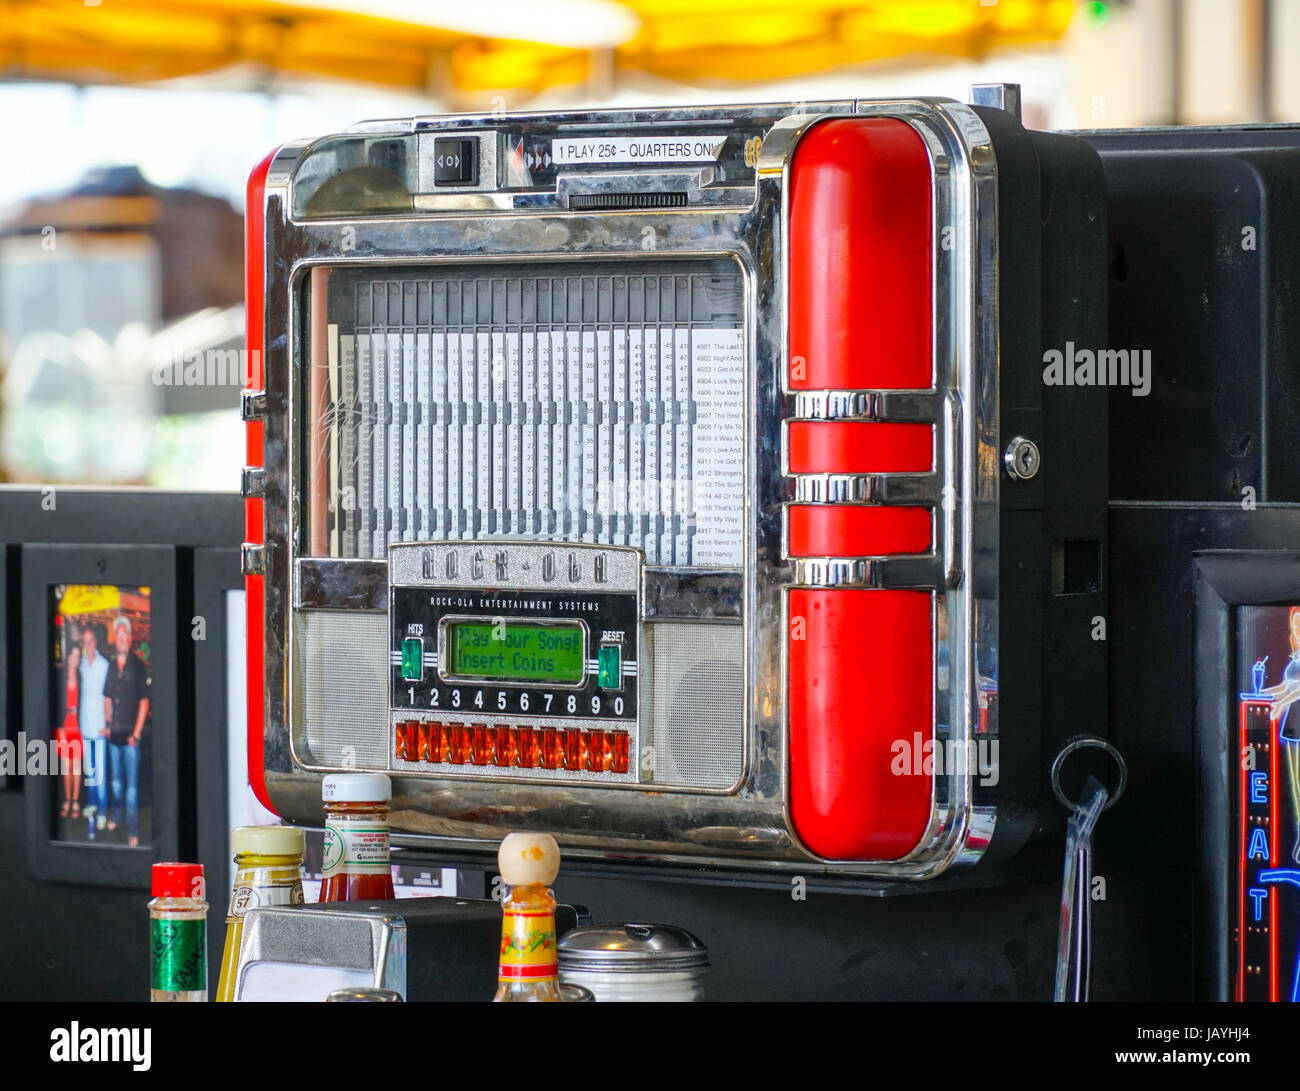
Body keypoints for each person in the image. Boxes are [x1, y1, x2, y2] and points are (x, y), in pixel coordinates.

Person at [105, 615, 149, 847]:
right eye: (118, 634)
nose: (121, 638)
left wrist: (137, 734)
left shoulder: (138, 666)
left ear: (130, 637)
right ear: (115, 638)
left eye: (125, 634)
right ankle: (116, 816)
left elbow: (144, 703)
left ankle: (132, 830)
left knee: (131, 789)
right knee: (115, 784)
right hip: (114, 736)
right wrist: (107, 721)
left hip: (132, 737)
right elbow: (107, 697)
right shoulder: (112, 665)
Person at [78, 622, 110, 835]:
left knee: (101, 772)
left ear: (95, 642)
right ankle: (92, 804)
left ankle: (103, 812)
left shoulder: (104, 665)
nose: (88, 645)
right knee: (90, 771)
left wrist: (107, 724)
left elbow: (108, 698)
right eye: (84, 642)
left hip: (99, 726)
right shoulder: (80, 664)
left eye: (90, 641)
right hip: (84, 725)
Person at [55, 640, 83, 819]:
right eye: (72, 655)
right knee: (67, 766)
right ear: (68, 657)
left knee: (77, 767)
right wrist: (60, 728)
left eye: (78, 656)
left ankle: (75, 800)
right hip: (64, 726)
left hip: (78, 725)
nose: (75, 659)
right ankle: (67, 799)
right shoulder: (60, 675)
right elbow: (56, 702)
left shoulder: (81, 675)